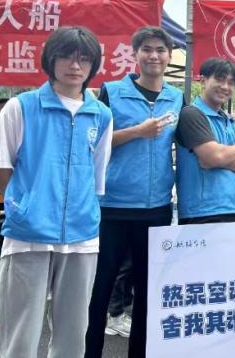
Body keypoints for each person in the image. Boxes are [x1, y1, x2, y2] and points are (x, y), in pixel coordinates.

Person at [0, 27, 112, 357]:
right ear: (50, 60)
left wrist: (86, 212)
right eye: (66, 57)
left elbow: (97, 173)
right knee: (21, 330)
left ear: (93, 65)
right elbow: (2, 168)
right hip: (29, 234)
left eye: (84, 58)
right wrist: (24, 209)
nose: (75, 65)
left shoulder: (101, 115)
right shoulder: (21, 107)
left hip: (82, 235)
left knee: (73, 331)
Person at [85, 27, 184, 358]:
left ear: (169, 56)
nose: (154, 55)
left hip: (156, 209)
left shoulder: (177, 98)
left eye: (160, 50)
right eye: (147, 49)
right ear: (135, 54)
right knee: (100, 288)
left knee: (148, 291)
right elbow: (93, 142)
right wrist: (136, 132)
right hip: (112, 207)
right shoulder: (111, 93)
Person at [175, 57, 235, 223]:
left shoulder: (230, 121)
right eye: (219, 79)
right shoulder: (191, 114)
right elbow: (214, 157)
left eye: (231, 83)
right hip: (202, 212)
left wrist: (218, 159)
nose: (225, 87)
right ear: (203, 81)